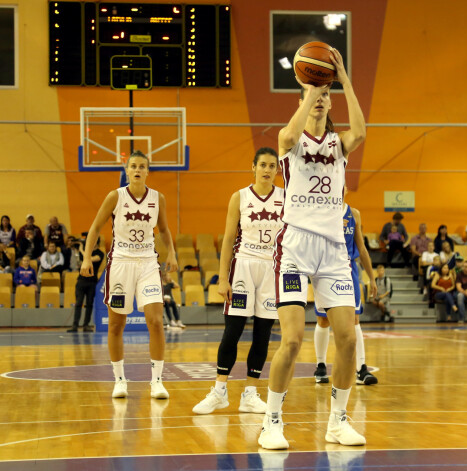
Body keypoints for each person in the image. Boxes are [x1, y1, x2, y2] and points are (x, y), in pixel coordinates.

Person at [259, 49, 367, 450]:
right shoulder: (293, 141)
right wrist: (311, 89)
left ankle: (338, 421)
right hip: (295, 246)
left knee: (348, 339)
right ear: (303, 98)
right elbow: (285, 136)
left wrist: (343, 80)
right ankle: (272, 421)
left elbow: (361, 132)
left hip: (333, 249)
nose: (321, 97)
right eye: (313, 93)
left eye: (326, 94)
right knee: (291, 340)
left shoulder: (339, 144)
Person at [79, 150, 178, 400]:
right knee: (116, 324)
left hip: (147, 263)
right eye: (133, 165)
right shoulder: (116, 196)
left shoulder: (158, 198)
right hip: (121, 263)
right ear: (126, 170)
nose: (137, 169)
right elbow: (95, 227)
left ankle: (156, 381)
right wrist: (86, 257)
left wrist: (172, 253)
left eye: (141, 166)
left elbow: (164, 230)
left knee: (156, 321)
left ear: (147, 171)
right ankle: (119, 379)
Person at [193, 148, 283, 416]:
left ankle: (251, 394)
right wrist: (223, 277)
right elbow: (228, 239)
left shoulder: (286, 198)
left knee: (263, 335)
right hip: (242, 266)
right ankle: (219, 390)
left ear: (278, 170)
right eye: (262, 165)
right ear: (253, 167)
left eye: (272, 166)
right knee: (232, 332)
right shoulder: (240, 197)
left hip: (271, 269)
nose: (267, 170)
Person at [313, 197, 378, 387]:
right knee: (323, 319)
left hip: (348, 270)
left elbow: (361, 247)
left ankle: (361, 369)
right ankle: (320, 365)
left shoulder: (354, 213)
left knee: (354, 318)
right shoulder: (319, 211)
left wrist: (372, 277)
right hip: (324, 270)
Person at [67, 238, 104, 332]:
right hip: (81, 280)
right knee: (78, 303)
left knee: (89, 304)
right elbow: (81, 260)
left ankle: (86, 325)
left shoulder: (100, 253)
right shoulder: (85, 252)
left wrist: (82, 250)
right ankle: (75, 325)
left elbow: (90, 259)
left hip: (92, 282)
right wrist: (81, 250)